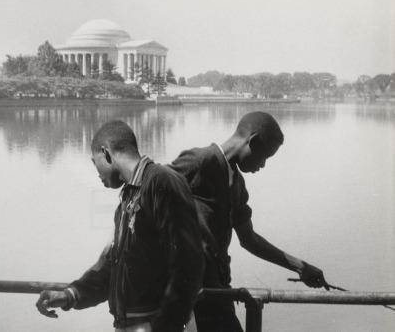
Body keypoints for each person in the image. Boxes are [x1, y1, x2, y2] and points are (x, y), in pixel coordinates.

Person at [36, 120, 204, 332]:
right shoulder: (128, 198)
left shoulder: (162, 181)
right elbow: (112, 267)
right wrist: (70, 294)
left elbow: (189, 266)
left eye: (93, 161)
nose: (97, 173)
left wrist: (162, 326)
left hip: (155, 325)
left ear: (106, 153)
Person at [168, 111, 330, 332]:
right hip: (191, 296)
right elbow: (151, 189)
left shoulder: (237, 185)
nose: (262, 166)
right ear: (251, 141)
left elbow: (249, 239)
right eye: (264, 157)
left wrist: (299, 266)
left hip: (218, 293)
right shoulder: (202, 161)